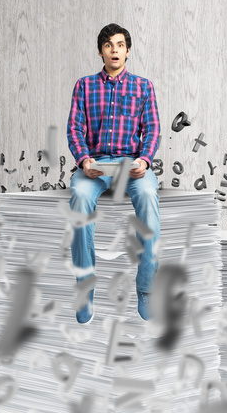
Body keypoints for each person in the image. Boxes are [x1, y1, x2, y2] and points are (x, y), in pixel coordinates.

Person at [66, 23, 161, 324]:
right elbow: (74, 128)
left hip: (132, 165)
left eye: (120, 45)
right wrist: (83, 161)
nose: (114, 50)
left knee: (148, 196)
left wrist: (144, 160)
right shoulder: (84, 86)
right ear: (100, 51)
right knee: (79, 198)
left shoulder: (143, 87)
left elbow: (153, 129)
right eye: (108, 45)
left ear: (128, 51)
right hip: (94, 164)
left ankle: (146, 288)